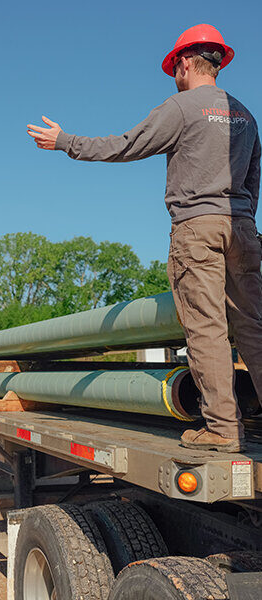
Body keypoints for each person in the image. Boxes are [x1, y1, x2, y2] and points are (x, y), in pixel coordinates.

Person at [27, 24, 262, 453]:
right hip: (243, 229)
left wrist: (66, 142)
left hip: (197, 228)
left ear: (184, 63)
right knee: (254, 329)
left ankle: (224, 430)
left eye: (174, 68)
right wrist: (243, 223)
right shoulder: (245, 114)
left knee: (207, 330)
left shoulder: (182, 107)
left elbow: (126, 145)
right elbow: (253, 178)